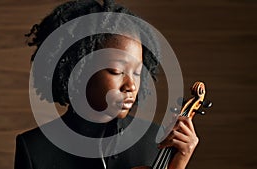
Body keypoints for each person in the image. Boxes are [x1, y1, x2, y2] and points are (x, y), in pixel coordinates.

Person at [14, 0, 199, 169]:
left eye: (137, 73)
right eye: (117, 72)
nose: (131, 85)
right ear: (80, 70)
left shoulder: (157, 140)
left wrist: (179, 163)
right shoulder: (34, 148)